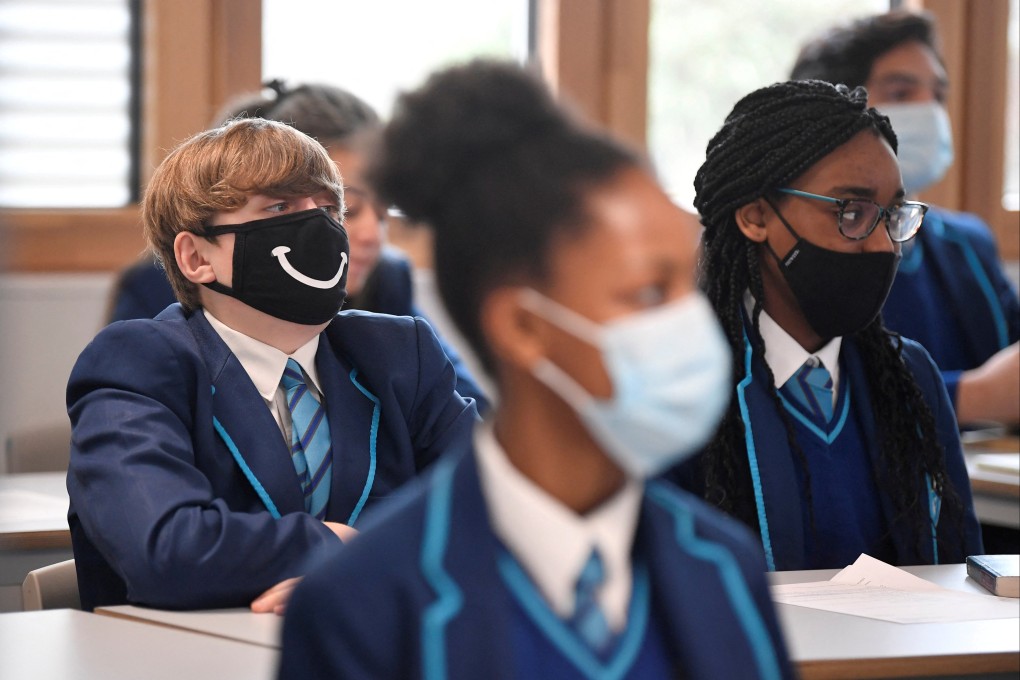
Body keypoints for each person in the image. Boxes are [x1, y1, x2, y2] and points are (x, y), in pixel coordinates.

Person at [277, 60, 794, 680]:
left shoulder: (723, 568)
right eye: (649, 295)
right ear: (523, 327)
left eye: (690, 286)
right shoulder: (364, 602)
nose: (692, 326)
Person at [66, 118, 478, 611]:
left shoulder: (398, 352)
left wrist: (364, 572)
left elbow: (503, 509)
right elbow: (168, 548)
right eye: (279, 207)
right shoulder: (138, 364)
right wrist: (334, 548)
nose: (319, 229)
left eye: (328, 208)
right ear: (196, 257)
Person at [674, 78, 982, 572]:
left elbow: (963, 571)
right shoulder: (688, 385)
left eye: (892, 215)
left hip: (909, 652)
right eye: (851, 212)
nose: (884, 245)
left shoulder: (909, 378)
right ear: (756, 217)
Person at [105, 81, 490, 411]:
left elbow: (470, 420)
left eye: (332, 209)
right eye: (352, 209)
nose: (374, 235)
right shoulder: (157, 304)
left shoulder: (389, 287)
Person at [791, 10, 1020, 427]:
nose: (930, 111)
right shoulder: (794, 247)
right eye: (901, 93)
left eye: (938, 95)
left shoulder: (967, 244)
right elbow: (798, 394)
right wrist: (970, 397)